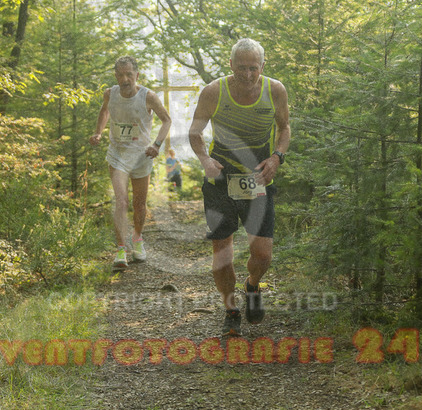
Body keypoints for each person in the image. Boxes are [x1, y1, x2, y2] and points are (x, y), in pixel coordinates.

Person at [188, 38, 290, 336]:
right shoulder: (213, 91)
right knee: (222, 254)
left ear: (263, 66)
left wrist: (277, 157)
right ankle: (231, 309)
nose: (247, 74)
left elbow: (284, 128)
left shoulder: (275, 90)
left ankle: (252, 285)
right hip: (220, 177)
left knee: (263, 255)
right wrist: (205, 159)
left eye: (253, 68)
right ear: (231, 64)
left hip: (258, 176)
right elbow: (195, 132)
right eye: (241, 67)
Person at [90, 56, 172, 270]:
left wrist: (157, 144)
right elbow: (105, 110)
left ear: (137, 75)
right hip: (117, 155)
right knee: (121, 201)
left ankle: (137, 239)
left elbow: (167, 120)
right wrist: (98, 132)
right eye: (120, 75)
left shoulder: (148, 96)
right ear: (116, 76)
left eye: (129, 74)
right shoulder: (110, 94)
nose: (125, 79)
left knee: (139, 203)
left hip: (141, 156)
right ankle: (120, 250)